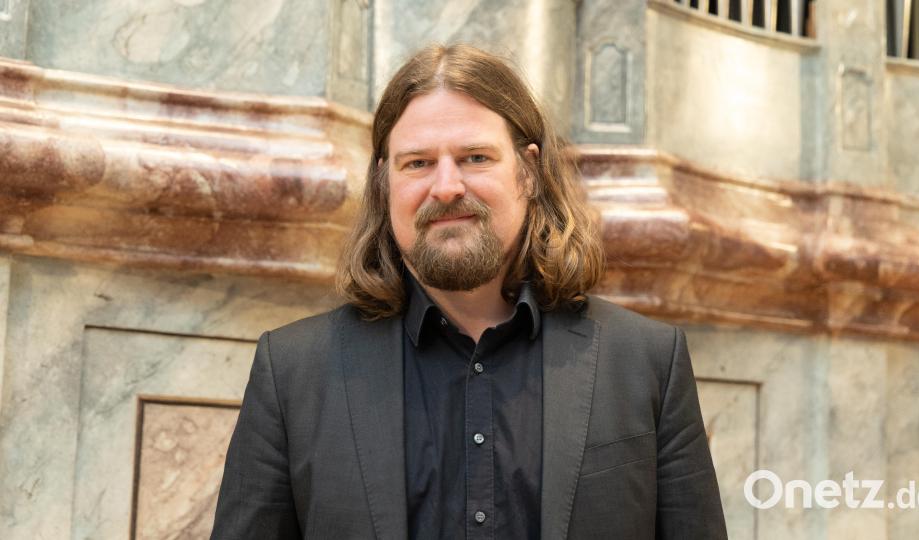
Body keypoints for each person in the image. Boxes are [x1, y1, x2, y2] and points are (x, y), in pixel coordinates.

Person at [211, 43, 726, 540]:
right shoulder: (293, 371)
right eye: (417, 163)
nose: (447, 186)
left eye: (475, 157)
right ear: (384, 181)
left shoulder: (646, 362)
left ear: (527, 172)